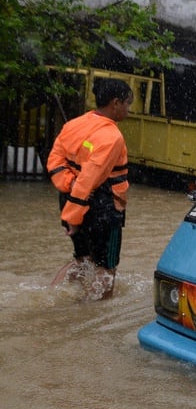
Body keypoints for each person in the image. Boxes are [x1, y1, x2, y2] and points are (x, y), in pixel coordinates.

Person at [46, 78, 133, 300]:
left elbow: (55, 160)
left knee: (82, 259)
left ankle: (51, 296)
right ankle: (91, 318)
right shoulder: (112, 137)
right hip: (100, 207)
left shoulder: (73, 124)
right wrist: (75, 218)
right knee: (107, 268)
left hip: (68, 199)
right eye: (128, 104)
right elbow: (90, 178)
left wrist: (68, 185)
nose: (129, 110)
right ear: (115, 103)